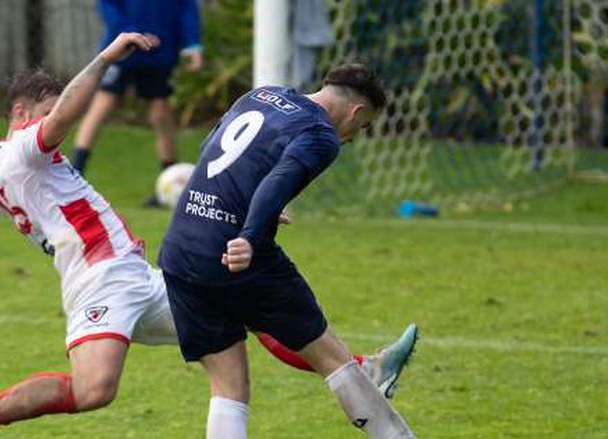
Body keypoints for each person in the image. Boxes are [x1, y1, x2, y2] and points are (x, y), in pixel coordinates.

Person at [0, 36, 416, 437]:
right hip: (99, 282)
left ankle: (364, 367)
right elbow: (58, 123)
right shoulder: (20, 150)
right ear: (19, 113)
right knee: (95, 392)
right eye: (46, 109)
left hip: (145, 274)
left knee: (237, 336)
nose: (54, 120)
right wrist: (108, 55)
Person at [159, 62, 418, 438]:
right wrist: (249, 234)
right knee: (334, 358)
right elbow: (279, 179)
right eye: (360, 129)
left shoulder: (261, 95)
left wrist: (248, 204)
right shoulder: (321, 135)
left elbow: (210, 149)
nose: (351, 138)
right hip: (238, 255)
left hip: (181, 250)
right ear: (357, 111)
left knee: (229, 387)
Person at [71, 0, 203, 207]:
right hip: (123, 48)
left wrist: (193, 44)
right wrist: (133, 34)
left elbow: (186, 9)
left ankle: (168, 182)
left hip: (160, 51)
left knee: (160, 111)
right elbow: (108, 6)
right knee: (104, 103)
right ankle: (73, 176)